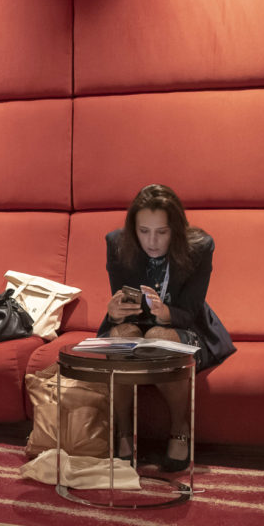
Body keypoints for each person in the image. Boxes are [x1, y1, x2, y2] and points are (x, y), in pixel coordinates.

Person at [99, 183, 235, 471]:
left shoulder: (200, 247)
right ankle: (123, 432)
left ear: (176, 229)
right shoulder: (117, 243)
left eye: (162, 232)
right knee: (121, 337)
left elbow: (190, 311)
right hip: (134, 324)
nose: (152, 241)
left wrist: (165, 313)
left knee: (158, 338)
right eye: (143, 231)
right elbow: (122, 302)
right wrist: (114, 313)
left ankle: (180, 429)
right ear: (133, 229)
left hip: (184, 324)